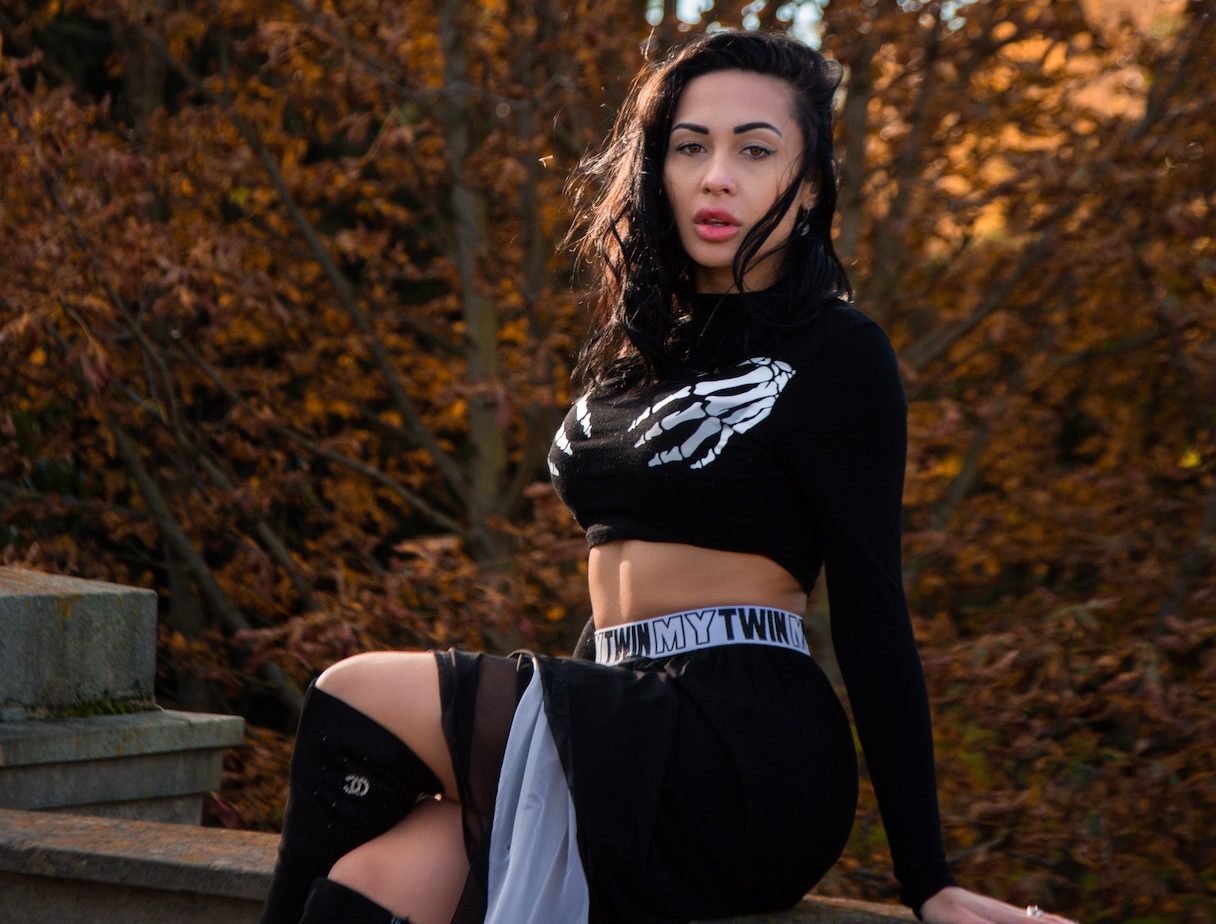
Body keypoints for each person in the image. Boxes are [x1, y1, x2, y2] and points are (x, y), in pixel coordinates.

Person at [259, 30, 1077, 924]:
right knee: (373, 884)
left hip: (742, 749)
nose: (715, 175)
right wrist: (566, 715)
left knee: (351, 693)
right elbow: (624, 580)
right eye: (690, 146)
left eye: (753, 150)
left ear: (805, 188)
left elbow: (876, 610)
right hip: (619, 719)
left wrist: (930, 881)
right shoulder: (638, 350)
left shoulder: (837, 352)